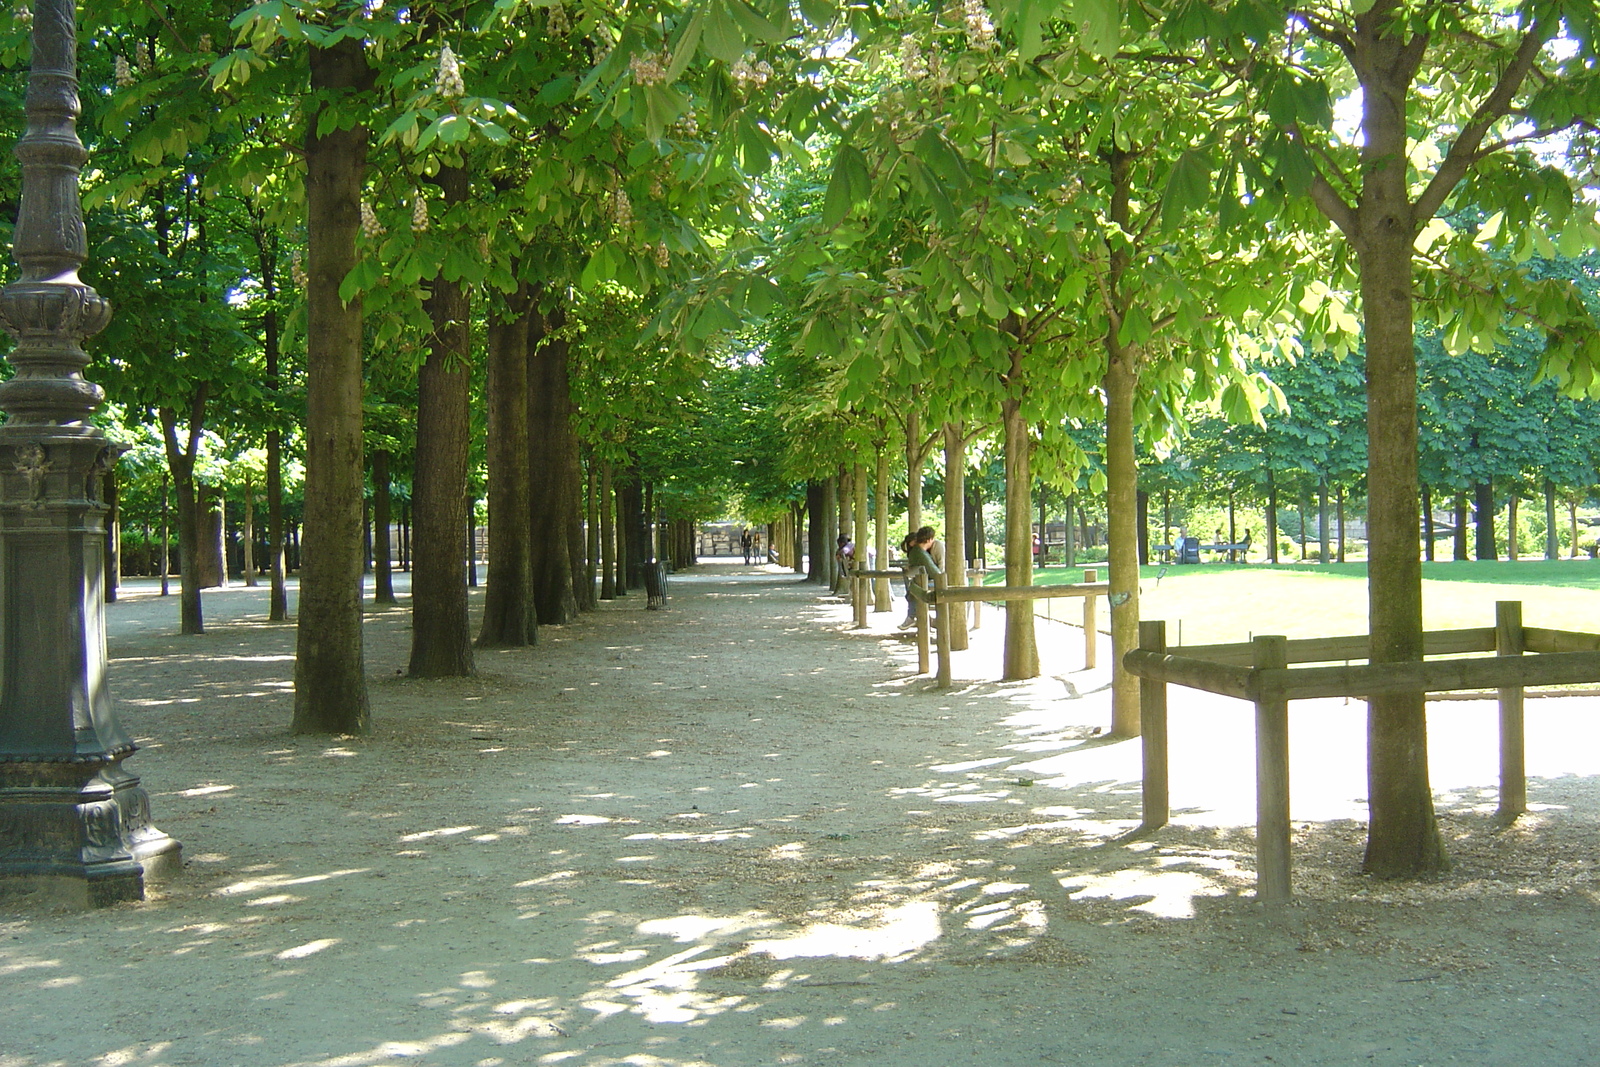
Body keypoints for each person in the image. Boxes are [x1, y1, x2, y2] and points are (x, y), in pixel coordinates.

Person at [898, 527, 943, 628]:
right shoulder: (921, 553)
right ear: (929, 540)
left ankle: (912, 617)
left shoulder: (916, 552)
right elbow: (936, 574)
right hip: (927, 584)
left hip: (917, 584)